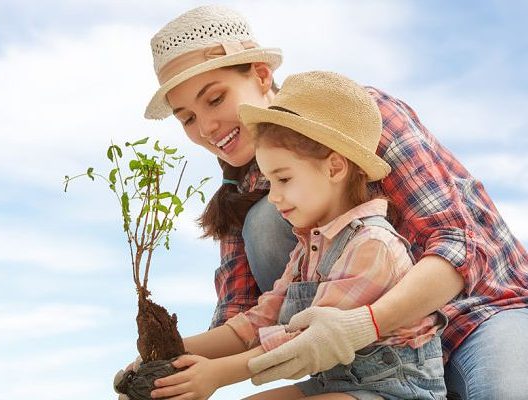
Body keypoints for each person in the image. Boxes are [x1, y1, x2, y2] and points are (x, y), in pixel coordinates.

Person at [116, 5, 528, 399]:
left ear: (261, 76)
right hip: (351, 359)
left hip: (471, 313)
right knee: (262, 220)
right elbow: (247, 314)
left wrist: (362, 325)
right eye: (187, 117)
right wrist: (168, 364)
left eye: (215, 99)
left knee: (505, 392)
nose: (206, 127)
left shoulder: (352, 117)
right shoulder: (243, 189)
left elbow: (456, 245)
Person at [147, 70, 448, 400]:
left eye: (284, 179)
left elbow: (304, 341)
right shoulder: (309, 244)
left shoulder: (371, 245)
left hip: (394, 388)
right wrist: (169, 356)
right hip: (333, 380)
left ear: (334, 168)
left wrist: (218, 374)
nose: (273, 196)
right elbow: (260, 319)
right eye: (269, 181)